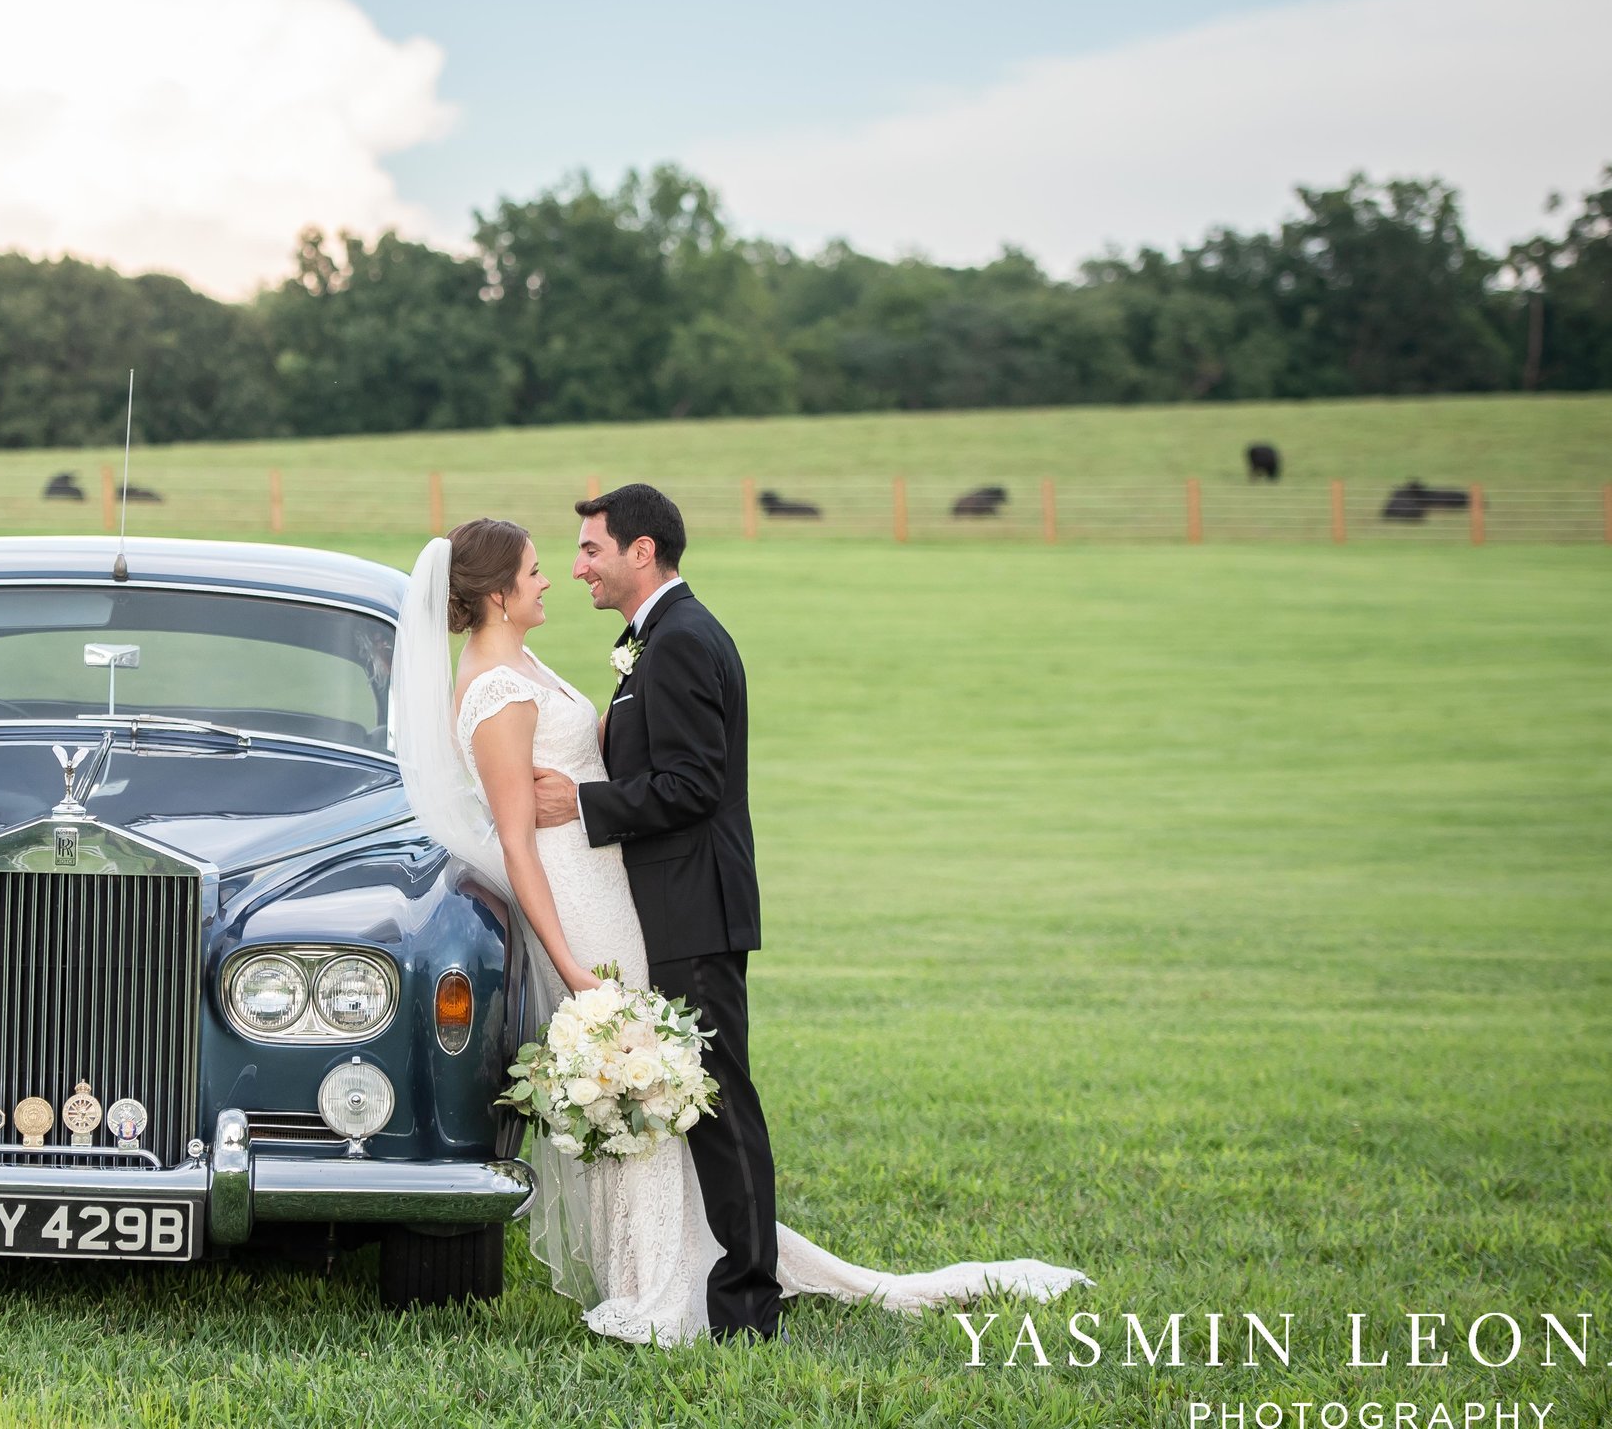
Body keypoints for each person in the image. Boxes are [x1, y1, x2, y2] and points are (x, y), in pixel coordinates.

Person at [390, 490, 1091, 1347]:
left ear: (638, 551)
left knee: (691, 1090)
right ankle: (667, 1274)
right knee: (658, 1084)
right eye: (544, 566)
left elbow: (680, 779)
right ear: (498, 594)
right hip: (587, 904)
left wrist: (587, 791)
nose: (565, 574)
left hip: (643, 895)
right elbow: (518, 840)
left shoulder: (659, 642)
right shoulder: (510, 681)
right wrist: (571, 962)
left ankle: (726, 1278)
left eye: (581, 553)